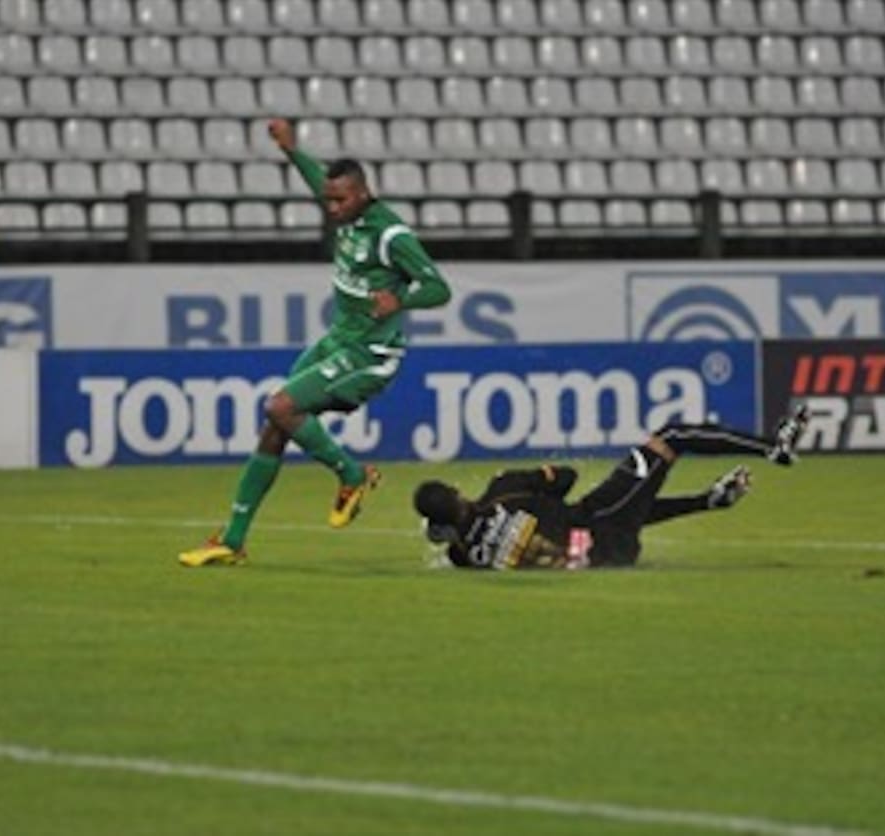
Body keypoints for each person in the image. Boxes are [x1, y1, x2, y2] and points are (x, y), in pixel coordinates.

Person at [179, 118, 453, 567]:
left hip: (370, 354)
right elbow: (318, 180)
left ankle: (351, 474)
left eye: (340, 200)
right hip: (337, 341)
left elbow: (440, 288)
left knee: (280, 407)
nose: (331, 208)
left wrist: (399, 298)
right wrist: (290, 150)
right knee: (277, 424)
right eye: (328, 200)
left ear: (363, 194)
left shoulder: (390, 235)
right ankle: (232, 540)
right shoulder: (345, 211)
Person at [413, 407, 811, 571]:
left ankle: (709, 500)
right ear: (457, 494)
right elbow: (565, 476)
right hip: (599, 529)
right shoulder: (503, 491)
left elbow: (452, 547)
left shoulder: (466, 557)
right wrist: (541, 492)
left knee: (622, 506)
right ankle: (773, 448)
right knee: (670, 437)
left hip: (602, 553)